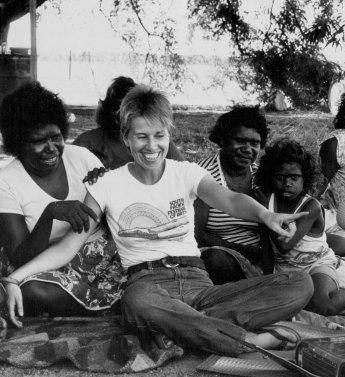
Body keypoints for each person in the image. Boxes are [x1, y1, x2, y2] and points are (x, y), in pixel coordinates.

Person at [2, 85, 313, 357]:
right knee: (137, 302)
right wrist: (16, 278)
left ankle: (180, 325)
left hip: (197, 280)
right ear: (125, 138)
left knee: (300, 283)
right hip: (146, 282)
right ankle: (249, 340)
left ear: (169, 134)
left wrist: (266, 215)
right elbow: (69, 246)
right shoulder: (106, 184)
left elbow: (230, 199)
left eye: (159, 136)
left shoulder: (186, 173)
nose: (151, 147)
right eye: (141, 137)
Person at [0, 82, 124, 319]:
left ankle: (102, 303)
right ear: (18, 142)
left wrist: (106, 191)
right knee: (32, 290)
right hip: (43, 264)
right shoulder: (6, 182)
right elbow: (20, 258)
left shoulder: (81, 158)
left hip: (103, 260)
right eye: (38, 141)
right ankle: (103, 308)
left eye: (56, 137)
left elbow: (121, 217)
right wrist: (50, 214)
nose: (52, 148)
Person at [254, 138, 345, 316]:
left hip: (316, 264)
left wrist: (264, 211)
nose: (287, 183)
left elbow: (285, 244)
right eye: (281, 177)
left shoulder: (310, 206)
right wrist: (267, 278)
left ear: (306, 178)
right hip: (284, 268)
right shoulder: (269, 201)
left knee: (323, 306)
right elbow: (266, 243)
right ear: (270, 177)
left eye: (294, 177)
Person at [195, 105, 270, 283]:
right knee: (216, 260)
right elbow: (196, 235)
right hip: (219, 255)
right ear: (222, 140)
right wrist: (243, 250)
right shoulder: (203, 175)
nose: (247, 149)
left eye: (254, 143)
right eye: (240, 140)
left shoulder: (261, 177)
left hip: (260, 257)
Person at [73, 76, 184, 169]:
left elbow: (183, 171)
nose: (121, 115)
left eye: (129, 110)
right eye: (118, 109)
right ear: (108, 109)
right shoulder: (88, 142)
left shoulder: (158, 141)